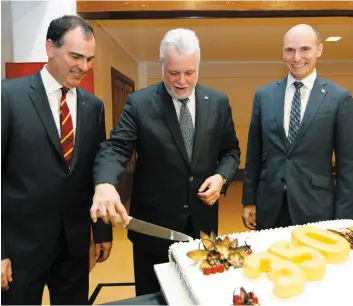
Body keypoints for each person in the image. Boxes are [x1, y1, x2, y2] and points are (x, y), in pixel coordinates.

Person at [90, 28, 241, 295]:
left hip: (201, 229)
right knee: (154, 297)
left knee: (197, 294)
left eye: (189, 73)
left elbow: (230, 152)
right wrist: (104, 182)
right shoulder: (140, 103)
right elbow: (116, 148)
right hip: (154, 229)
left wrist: (222, 177)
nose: (181, 81)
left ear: (198, 66)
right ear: (161, 65)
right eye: (173, 73)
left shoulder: (218, 102)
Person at [1, 15, 113, 304]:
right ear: (50, 48)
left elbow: (95, 172)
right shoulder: (8, 97)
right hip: (19, 250)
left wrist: (101, 230)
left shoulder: (93, 107)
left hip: (74, 247)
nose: (84, 66)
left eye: (89, 59)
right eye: (76, 56)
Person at [242, 24, 353, 231]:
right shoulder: (264, 95)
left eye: (305, 49)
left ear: (319, 50)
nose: (296, 57)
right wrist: (249, 199)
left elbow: (348, 164)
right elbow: (254, 153)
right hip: (270, 206)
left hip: (317, 207)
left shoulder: (339, 98)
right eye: (289, 50)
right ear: (283, 52)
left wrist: (344, 217)